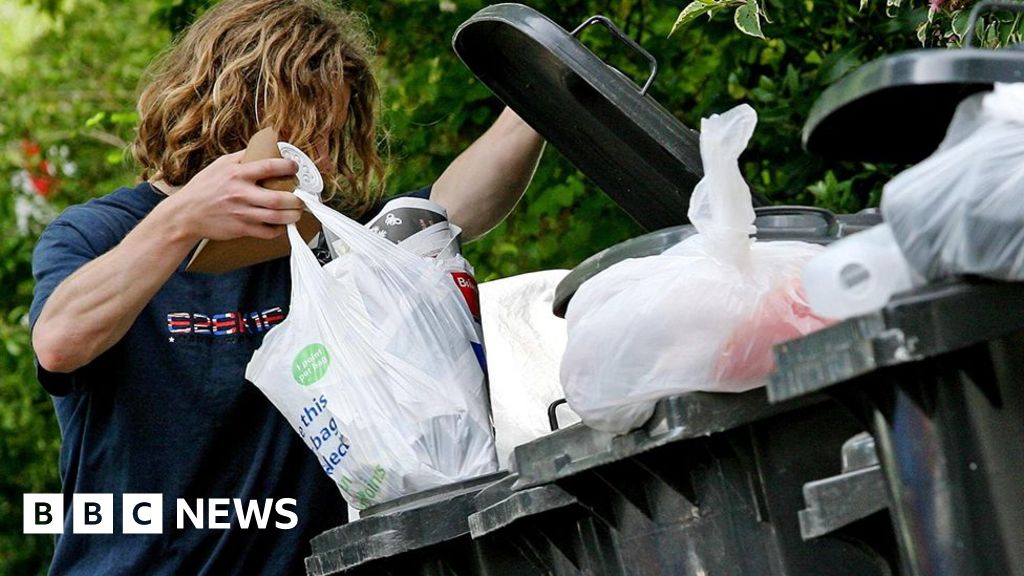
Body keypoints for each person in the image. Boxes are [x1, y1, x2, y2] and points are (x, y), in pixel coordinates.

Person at [29, 0, 544, 573]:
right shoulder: (100, 232)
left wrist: (540, 99)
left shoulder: (331, 240)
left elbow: (444, 214)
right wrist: (182, 221)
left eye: (331, 131)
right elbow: (59, 343)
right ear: (231, 105)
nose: (320, 155)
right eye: (306, 126)